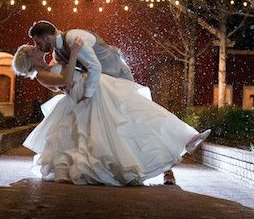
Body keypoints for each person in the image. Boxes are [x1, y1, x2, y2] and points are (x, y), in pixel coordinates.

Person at [12, 39, 210, 187]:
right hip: (89, 96)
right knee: (123, 126)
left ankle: (185, 137)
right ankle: (167, 160)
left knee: (137, 111)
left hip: (96, 87)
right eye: (32, 49)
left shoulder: (52, 62)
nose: (36, 47)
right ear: (30, 58)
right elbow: (66, 78)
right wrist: (74, 54)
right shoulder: (41, 75)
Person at [29, 20, 181, 184]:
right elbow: (65, 76)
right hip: (100, 86)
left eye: (38, 42)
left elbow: (95, 67)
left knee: (135, 120)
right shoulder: (58, 53)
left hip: (117, 76)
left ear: (46, 37)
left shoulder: (73, 38)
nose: (37, 46)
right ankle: (113, 167)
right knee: (107, 128)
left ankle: (167, 169)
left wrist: (87, 96)